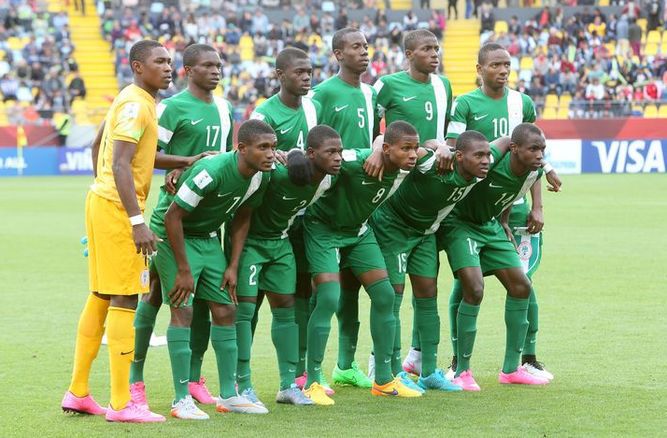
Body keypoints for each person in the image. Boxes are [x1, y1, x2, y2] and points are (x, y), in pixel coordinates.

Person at [61, 39, 172, 423]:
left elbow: (99, 146)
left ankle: (78, 392)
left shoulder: (131, 98)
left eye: (170, 61)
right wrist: (135, 220)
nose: (168, 67)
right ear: (138, 67)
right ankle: (123, 404)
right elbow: (120, 163)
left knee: (102, 294)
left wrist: (185, 160)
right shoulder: (137, 103)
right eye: (160, 61)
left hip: (105, 202)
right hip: (119, 209)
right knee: (126, 297)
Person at [440, 42, 557, 381]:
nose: (503, 70)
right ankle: (455, 364)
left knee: (522, 282)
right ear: (480, 69)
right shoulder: (464, 104)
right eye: (495, 65)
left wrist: (534, 204)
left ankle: (522, 361)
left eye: (507, 64)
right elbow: (454, 148)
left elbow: (532, 151)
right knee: (468, 286)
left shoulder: (524, 103)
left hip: (504, 210)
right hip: (466, 207)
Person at [129, 43, 235, 411]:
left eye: (219, 65)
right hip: (173, 214)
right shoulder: (171, 107)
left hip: (209, 220)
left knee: (205, 301)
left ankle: (194, 379)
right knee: (159, 294)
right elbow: (148, 155)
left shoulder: (225, 109)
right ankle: (135, 380)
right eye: (208, 65)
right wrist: (184, 163)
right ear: (189, 71)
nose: (216, 71)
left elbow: (224, 159)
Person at [149, 119, 275, 418]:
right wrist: (183, 269)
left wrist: (232, 264)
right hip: (172, 235)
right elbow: (172, 216)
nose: (271, 154)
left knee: (225, 310)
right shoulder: (213, 171)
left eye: (273, 147)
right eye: (263, 147)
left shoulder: (260, 176)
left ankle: (229, 396)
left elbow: (243, 217)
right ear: (241, 148)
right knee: (184, 310)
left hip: (207, 238)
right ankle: (181, 400)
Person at [368, 131, 504, 393]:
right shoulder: (436, 163)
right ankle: (393, 371)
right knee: (393, 296)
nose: (486, 160)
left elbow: (505, 141)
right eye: (479, 155)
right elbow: (403, 144)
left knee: (428, 295)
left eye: (487, 155)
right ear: (460, 156)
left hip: (426, 233)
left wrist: (546, 166)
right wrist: (438, 145)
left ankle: (429, 372)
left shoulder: (478, 167)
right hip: (393, 227)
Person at [302, 121, 426, 405]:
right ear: (386, 149)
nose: (412, 154)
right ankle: (311, 382)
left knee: (385, 295)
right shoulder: (356, 161)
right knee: (329, 298)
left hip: (358, 232)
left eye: (414, 148)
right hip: (324, 231)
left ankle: (383, 379)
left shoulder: (409, 165)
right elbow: (324, 156)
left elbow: (434, 148)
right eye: (405, 149)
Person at [229, 125, 343, 408]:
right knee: (244, 312)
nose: (338, 158)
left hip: (280, 245)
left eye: (339, 152)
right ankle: (241, 384)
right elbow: (242, 214)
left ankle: (288, 385)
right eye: (332, 152)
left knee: (286, 311)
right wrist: (234, 260)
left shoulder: (327, 181)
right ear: (311, 154)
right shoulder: (273, 175)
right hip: (252, 244)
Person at [372, 28, 455, 380]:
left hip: (428, 191)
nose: (434, 54)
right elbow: (372, 128)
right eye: (426, 49)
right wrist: (378, 148)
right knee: (392, 287)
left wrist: (441, 145)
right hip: (393, 192)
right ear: (408, 54)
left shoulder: (444, 86)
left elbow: (445, 131)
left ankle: (423, 364)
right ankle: (381, 362)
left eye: (436, 48)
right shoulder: (386, 85)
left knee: (427, 285)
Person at [310, 27, 381, 390]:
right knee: (322, 294)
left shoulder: (371, 94)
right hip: (323, 205)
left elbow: (373, 143)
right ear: (338, 54)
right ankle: (310, 373)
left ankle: (346, 365)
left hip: (358, 206)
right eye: (356, 47)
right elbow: (306, 144)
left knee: (351, 290)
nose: (364, 52)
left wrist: (380, 144)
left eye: (366, 46)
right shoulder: (321, 94)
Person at [249, 47, 320, 388]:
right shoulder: (265, 113)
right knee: (253, 298)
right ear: (280, 75)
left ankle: (300, 370)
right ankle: (237, 377)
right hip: (266, 217)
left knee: (302, 291)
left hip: (304, 216)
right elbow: (252, 161)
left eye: (310, 71)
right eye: (299, 72)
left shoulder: (312, 107)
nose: (307, 77)